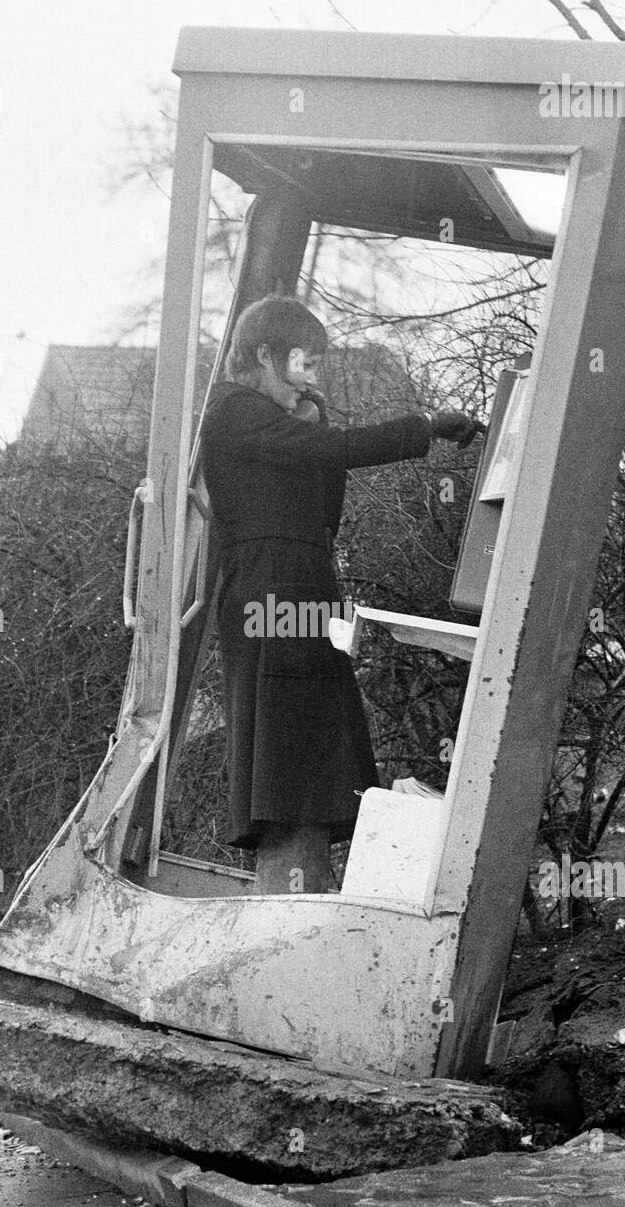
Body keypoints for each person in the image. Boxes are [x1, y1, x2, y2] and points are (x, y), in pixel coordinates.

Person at [201, 294, 483, 894]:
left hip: (300, 588)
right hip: (269, 597)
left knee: (313, 751)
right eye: (306, 363)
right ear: (266, 356)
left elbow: (326, 510)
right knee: (289, 756)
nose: (313, 377)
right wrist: (426, 429)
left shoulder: (273, 425)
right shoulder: (231, 410)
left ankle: (301, 898)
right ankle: (286, 904)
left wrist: (315, 425)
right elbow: (340, 454)